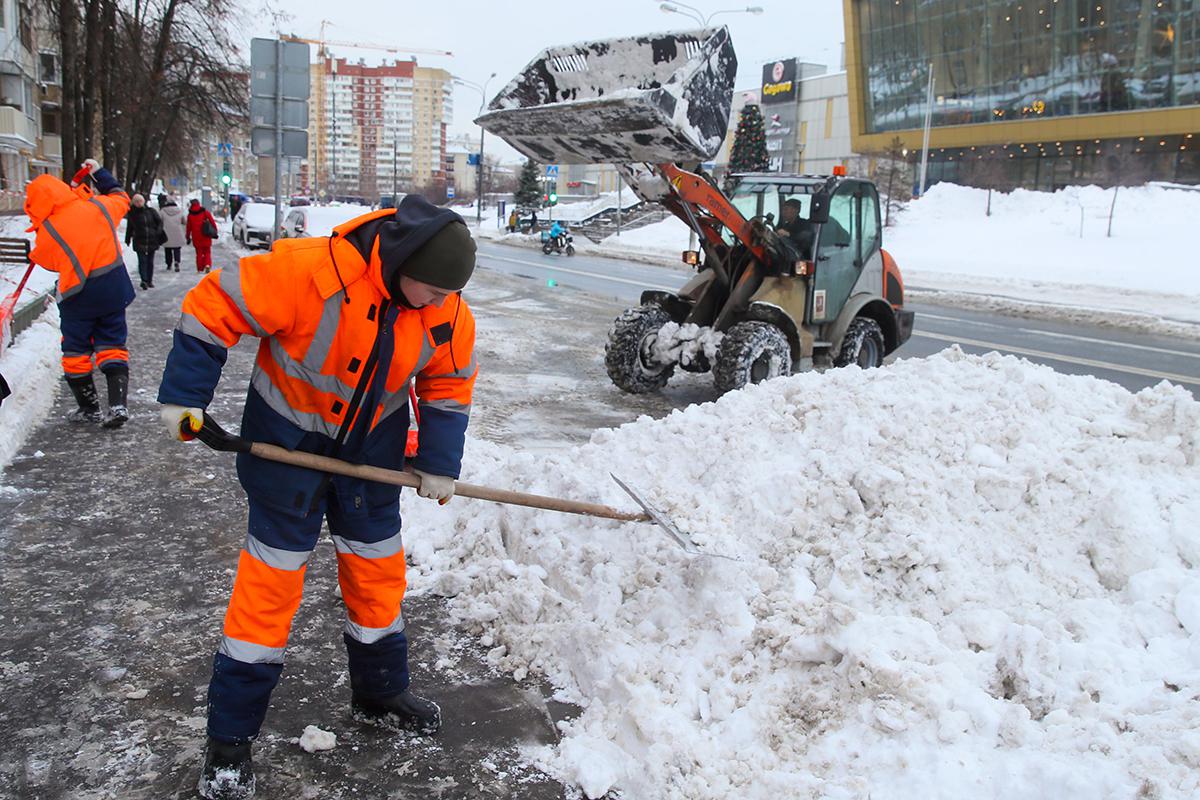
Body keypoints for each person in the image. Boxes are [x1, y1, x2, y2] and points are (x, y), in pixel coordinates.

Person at [157, 195, 478, 799]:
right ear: (401, 259)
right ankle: (229, 740)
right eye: (430, 291)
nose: (439, 304)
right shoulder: (309, 272)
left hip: (371, 464)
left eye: (446, 295)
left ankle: (380, 691)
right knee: (268, 591)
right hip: (286, 453)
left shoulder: (445, 310)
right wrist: (185, 396)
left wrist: (437, 463)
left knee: (377, 576)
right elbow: (214, 303)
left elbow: (449, 381)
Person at [24, 159, 133, 429]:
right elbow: (121, 197)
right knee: (112, 345)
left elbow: (45, 260)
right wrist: (98, 174)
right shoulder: (98, 207)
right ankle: (117, 404)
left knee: (76, 350)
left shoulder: (48, 230)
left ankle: (89, 408)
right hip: (112, 290)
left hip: (78, 296)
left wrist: (42, 225)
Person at [125, 193, 165, 290]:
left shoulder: (151, 211)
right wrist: (127, 238)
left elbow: (159, 222)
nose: (139, 203)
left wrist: (158, 231)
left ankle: (149, 280)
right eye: (136, 202)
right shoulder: (132, 214)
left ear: (144, 202)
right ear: (133, 203)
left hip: (152, 239)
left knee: (150, 262)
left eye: (140, 201)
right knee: (142, 261)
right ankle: (144, 280)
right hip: (139, 240)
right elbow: (129, 227)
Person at [186, 199, 218, 273]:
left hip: (196, 237)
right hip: (206, 235)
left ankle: (200, 268)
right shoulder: (205, 212)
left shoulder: (190, 215)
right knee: (207, 252)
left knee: (199, 253)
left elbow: (188, 227)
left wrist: (187, 236)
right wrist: (215, 232)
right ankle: (207, 264)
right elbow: (212, 222)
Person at [160, 195, 186, 272]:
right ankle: (177, 261)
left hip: (166, 233)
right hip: (177, 233)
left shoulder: (162, 211)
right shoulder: (180, 211)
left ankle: (169, 264)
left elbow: (159, 221)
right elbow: (184, 221)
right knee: (177, 249)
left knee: (167, 250)